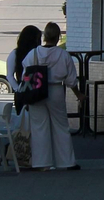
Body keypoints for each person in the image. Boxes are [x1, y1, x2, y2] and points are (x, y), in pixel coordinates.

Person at [6, 23, 78, 170]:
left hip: (36, 91)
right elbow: (71, 80)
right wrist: (79, 94)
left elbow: (25, 75)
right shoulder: (63, 55)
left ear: (44, 36)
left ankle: (41, 163)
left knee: (39, 127)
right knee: (60, 126)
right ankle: (66, 162)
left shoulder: (32, 54)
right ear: (58, 37)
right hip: (56, 90)